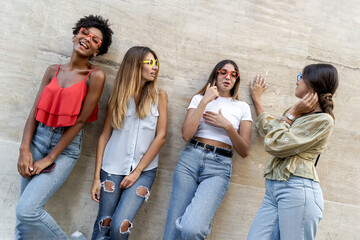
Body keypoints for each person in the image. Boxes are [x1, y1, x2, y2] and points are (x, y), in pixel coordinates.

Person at [15, 15, 113, 239]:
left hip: (65, 149)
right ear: (75, 35)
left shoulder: (95, 76)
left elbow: (79, 122)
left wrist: (50, 158)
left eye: (95, 39)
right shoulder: (52, 70)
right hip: (37, 140)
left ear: (97, 50)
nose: (87, 38)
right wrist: (24, 149)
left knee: (27, 211)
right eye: (84, 32)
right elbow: (34, 111)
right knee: (24, 215)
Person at [247, 63, 339, 240]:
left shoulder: (323, 121)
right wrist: (257, 99)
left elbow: (275, 144)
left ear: (312, 83)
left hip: (298, 190)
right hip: (274, 189)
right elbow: (269, 130)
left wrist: (292, 113)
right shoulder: (296, 115)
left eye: (301, 77)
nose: (297, 82)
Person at [163, 60, 252, 239]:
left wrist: (227, 126)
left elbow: (244, 150)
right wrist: (205, 101)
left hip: (219, 167)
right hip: (190, 160)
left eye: (234, 74)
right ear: (215, 74)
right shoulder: (199, 99)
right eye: (223, 72)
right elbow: (187, 134)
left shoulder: (241, 107)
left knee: (192, 229)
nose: (228, 77)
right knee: (172, 232)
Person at [90, 46, 167, 240]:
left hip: (144, 171)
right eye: (150, 62)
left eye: (156, 63)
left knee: (119, 227)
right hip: (111, 168)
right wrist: (96, 178)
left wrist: (137, 171)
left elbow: (161, 136)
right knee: (103, 225)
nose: (155, 67)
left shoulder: (160, 96)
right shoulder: (117, 97)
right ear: (135, 65)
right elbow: (104, 136)